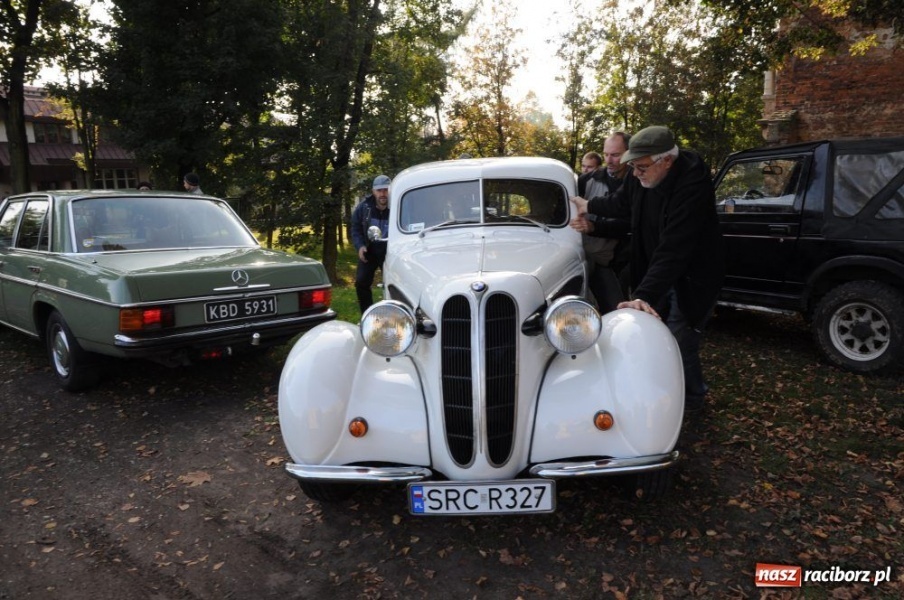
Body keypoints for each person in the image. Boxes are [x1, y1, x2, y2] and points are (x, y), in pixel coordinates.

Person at [571, 126, 725, 413]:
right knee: (653, 334)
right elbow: (621, 204)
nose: (636, 173)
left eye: (641, 167)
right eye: (632, 167)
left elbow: (675, 247)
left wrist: (643, 294)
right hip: (657, 270)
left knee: (679, 338)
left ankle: (693, 400)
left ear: (666, 161)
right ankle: (661, 391)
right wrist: (589, 204)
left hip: (693, 277)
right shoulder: (641, 174)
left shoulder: (692, 186)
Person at [575, 134, 633, 312]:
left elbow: (631, 223)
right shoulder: (587, 181)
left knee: (618, 311)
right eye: (606, 154)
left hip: (625, 261)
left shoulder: (638, 181)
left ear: (629, 153)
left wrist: (595, 227)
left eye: (615, 155)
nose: (610, 160)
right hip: (592, 258)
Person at [350, 174, 391, 313]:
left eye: (385, 190)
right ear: (373, 191)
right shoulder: (364, 207)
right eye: (379, 190)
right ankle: (368, 315)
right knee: (361, 282)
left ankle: (397, 316)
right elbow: (355, 227)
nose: (382, 194)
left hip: (390, 250)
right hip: (370, 248)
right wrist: (360, 246)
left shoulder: (398, 205)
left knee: (395, 283)